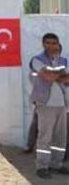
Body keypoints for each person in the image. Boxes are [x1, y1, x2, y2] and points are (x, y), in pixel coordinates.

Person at [29, 32, 69, 179]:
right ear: (43, 44)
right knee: (45, 137)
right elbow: (49, 76)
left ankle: (56, 164)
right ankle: (42, 166)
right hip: (45, 104)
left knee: (60, 137)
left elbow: (63, 78)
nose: (52, 46)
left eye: (54, 43)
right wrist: (60, 76)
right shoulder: (37, 60)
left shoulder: (64, 60)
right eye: (48, 43)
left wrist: (55, 76)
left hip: (62, 104)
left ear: (58, 44)